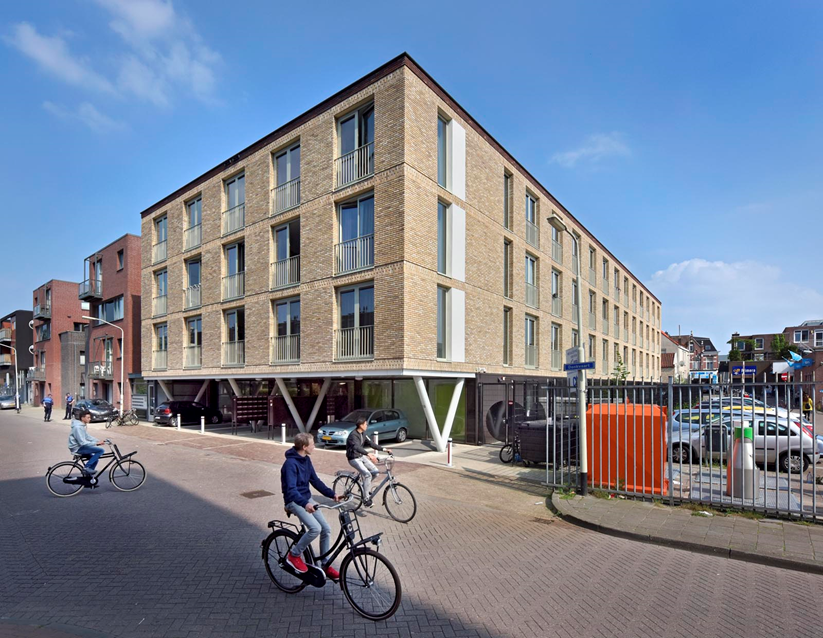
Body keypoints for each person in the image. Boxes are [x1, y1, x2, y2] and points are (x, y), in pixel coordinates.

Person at [280, 433, 342, 577]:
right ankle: (294, 555)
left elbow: (315, 481)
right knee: (315, 528)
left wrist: (332, 494)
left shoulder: (306, 460)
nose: (314, 446)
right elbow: (291, 490)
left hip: (306, 499)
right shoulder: (290, 464)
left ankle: (325, 564)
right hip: (294, 501)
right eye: (312, 444)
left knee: (326, 529)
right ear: (304, 447)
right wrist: (305, 503)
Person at [345, 417, 391, 507]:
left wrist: (384, 449)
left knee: (376, 472)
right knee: (368, 475)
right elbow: (357, 447)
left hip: (361, 456)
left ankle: (363, 487)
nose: (367, 425)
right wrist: (368, 454)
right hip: (353, 458)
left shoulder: (363, 434)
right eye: (366, 424)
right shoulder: (353, 436)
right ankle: (366, 500)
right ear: (361, 425)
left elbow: (371, 444)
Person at [67, 409, 105, 476]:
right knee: (100, 451)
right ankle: (86, 468)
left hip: (80, 446)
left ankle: (88, 477)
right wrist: (96, 443)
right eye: (88, 417)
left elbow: (87, 436)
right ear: (82, 418)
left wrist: (98, 441)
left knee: (95, 459)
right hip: (77, 448)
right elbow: (82, 442)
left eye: (90, 417)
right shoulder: (78, 427)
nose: (90, 419)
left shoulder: (82, 426)